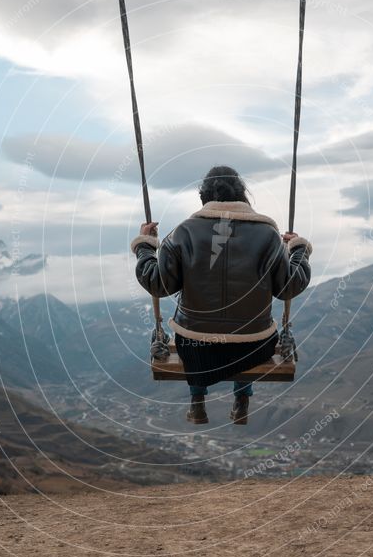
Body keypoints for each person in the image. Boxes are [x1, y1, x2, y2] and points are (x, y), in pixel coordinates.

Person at [130, 166, 312, 425]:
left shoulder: (183, 233)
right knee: (245, 328)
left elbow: (158, 284)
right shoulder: (269, 236)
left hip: (196, 349)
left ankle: (197, 401)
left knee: (192, 323)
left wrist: (145, 247)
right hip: (254, 346)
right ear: (242, 195)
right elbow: (289, 288)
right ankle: (241, 400)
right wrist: (298, 251)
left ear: (204, 197)